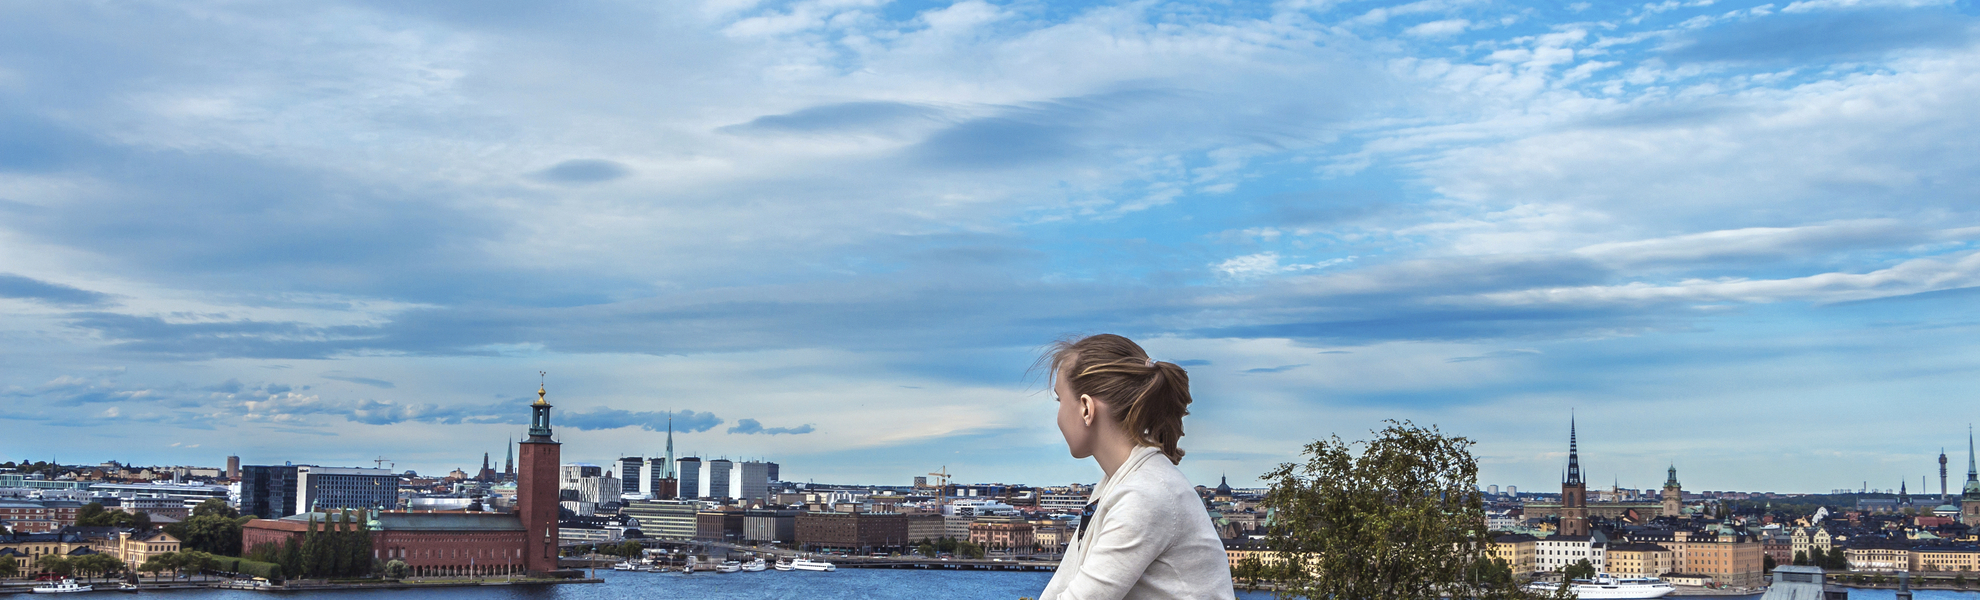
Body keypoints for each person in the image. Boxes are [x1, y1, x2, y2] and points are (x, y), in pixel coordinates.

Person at [1038, 334, 1235, 600]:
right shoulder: (1121, 483)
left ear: (1086, 408)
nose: (1059, 417)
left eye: (1059, 400)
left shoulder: (1145, 495)